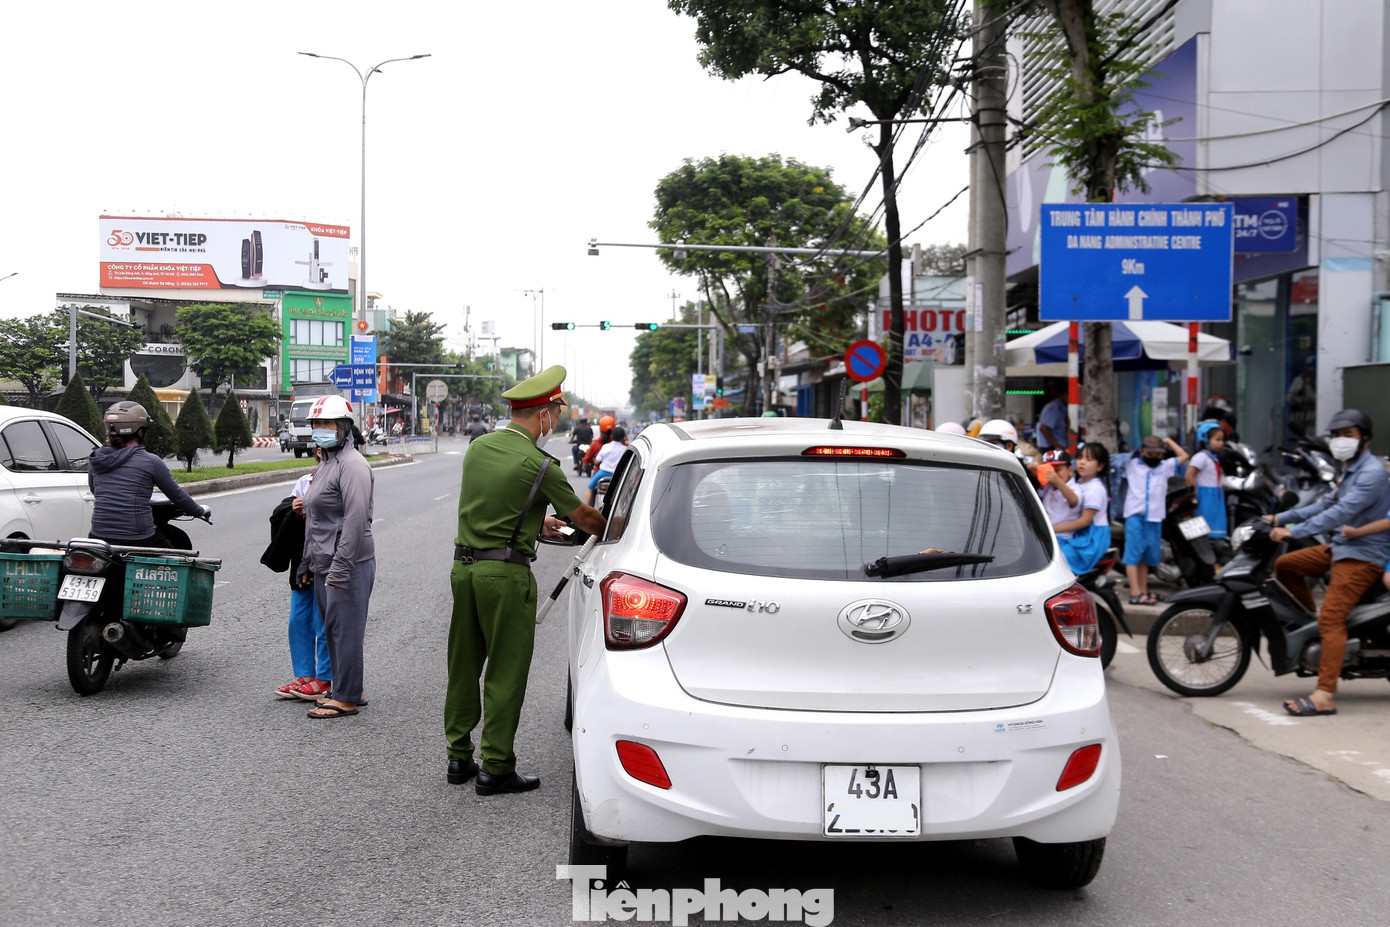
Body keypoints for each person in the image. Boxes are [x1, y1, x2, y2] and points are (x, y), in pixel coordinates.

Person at [445, 365, 606, 794]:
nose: (558, 419)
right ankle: (495, 766)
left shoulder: (479, 448)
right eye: (557, 411)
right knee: (505, 670)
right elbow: (588, 519)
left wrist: (536, 525)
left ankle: (458, 757)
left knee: (463, 664)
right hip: (505, 578)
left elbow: (491, 506)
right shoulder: (540, 464)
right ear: (544, 414)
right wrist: (626, 524)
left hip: (465, 569)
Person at [1267, 409, 1390, 717]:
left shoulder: (1371, 473)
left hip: (1363, 556)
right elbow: (1325, 505)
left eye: (1348, 435)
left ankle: (1325, 695)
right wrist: (1279, 518)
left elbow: (1339, 514)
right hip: (1341, 547)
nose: (1340, 441)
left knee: (1332, 619)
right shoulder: (1349, 470)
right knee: (1286, 567)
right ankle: (1310, 623)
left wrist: (1292, 533)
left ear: (1365, 440)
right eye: (1336, 435)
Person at [297, 395, 376, 720]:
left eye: (327, 424)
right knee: (333, 628)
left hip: (349, 562)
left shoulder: (353, 465)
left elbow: (355, 521)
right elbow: (315, 518)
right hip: (324, 561)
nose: (320, 430)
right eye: (316, 424)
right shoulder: (327, 463)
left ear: (344, 427)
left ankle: (345, 697)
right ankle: (348, 687)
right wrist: (307, 562)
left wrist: (341, 569)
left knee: (346, 630)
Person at [88, 401, 209, 545]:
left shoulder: (96, 459)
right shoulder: (151, 461)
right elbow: (177, 495)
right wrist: (199, 511)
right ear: (140, 431)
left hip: (98, 537)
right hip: (139, 538)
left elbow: (95, 490)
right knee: (177, 556)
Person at [264, 459, 332, 701]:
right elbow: (280, 513)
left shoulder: (343, 480)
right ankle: (305, 676)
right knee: (298, 620)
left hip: (327, 562)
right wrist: (294, 508)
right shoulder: (306, 481)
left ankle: (325, 678)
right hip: (302, 563)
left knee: (322, 621)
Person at [1122, 434, 1189, 605]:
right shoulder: (1132, 465)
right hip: (1135, 516)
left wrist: (1169, 442)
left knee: (1147, 557)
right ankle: (1135, 593)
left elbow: (1184, 456)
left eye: (1158, 454)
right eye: (1150, 454)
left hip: (1154, 518)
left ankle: (1144, 590)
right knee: (1132, 556)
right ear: (1142, 452)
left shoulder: (1165, 467)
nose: (1154, 458)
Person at [1056, 444, 1112, 576]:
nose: (1082, 462)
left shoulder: (1095, 489)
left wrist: (1052, 529)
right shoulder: (1078, 483)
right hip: (1079, 533)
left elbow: (1085, 521)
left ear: (1100, 466)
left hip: (1091, 537)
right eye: (1080, 457)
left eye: (1088, 459)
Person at [1186, 421, 1228, 540]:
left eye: (1222, 440)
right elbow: (1190, 474)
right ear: (1205, 439)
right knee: (1205, 524)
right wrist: (1194, 492)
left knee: (1214, 524)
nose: (1221, 443)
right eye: (1217, 440)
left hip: (1215, 496)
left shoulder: (1212, 458)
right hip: (1205, 496)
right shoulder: (1201, 457)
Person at [585, 425, 629, 507]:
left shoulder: (605, 447)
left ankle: (586, 509)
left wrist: (595, 462)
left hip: (602, 473)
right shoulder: (625, 449)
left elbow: (597, 461)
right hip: (617, 475)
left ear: (612, 436)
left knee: (590, 487)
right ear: (623, 437)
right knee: (626, 490)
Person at [1035, 380, 1068, 452]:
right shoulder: (1054, 408)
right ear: (1062, 394)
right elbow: (1043, 428)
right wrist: (1056, 444)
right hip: (1050, 448)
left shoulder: (1063, 407)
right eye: (1068, 395)